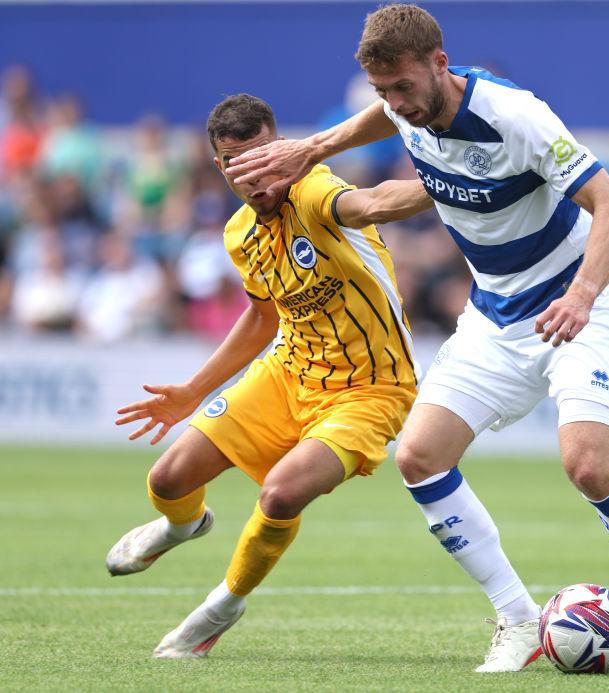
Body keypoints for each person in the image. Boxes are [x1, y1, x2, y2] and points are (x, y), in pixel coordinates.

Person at [225, 4, 609, 673]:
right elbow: (385, 114)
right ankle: (517, 616)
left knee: (587, 464)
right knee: (419, 456)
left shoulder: (515, 115)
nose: (396, 105)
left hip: (570, 301)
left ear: (441, 65)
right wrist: (317, 146)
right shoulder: (403, 108)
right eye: (384, 91)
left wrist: (583, 294)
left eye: (404, 86)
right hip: (493, 313)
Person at [106, 93, 431, 658]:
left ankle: (221, 608)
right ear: (219, 166)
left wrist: (451, 186)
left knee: (281, 495)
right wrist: (192, 391)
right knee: (167, 481)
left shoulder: (314, 191)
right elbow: (262, 318)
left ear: (284, 148)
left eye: (265, 157)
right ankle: (183, 527)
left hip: (369, 389)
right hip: (288, 373)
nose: (256, 176)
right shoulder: (239, 234)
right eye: (238, 164)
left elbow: (372, 203)